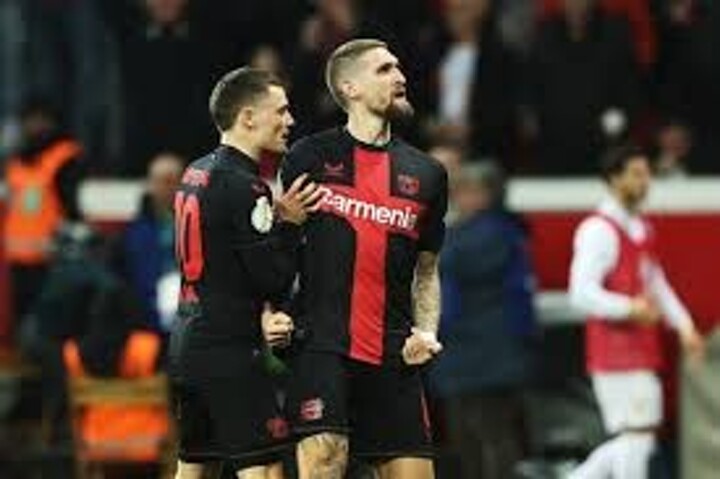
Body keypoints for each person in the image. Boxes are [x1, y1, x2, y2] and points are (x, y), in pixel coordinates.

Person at [281, 39, 448, 479]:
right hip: (322, 347)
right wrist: (268, 312)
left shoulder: (428, 174)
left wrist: (426, 330)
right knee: (325, 462)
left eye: (399, 67)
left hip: (394, 355)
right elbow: (280, 249)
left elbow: (427, 269)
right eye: (384, 69)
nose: (400, 77)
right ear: (349, 88)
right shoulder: (308, 157)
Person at [170, 67, 321, 479]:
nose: (290, 121)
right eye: (281, 111)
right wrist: (289, 226)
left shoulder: (194, 172)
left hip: (186, 343)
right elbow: (272, 279)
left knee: (195, 467)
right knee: (265, 467)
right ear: (249, 117)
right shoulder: (245, 185)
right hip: (229, 351)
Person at [568, 145, 704, 478]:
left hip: (641, 349)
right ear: (614, 178)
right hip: (615, 352)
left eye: (647, 174)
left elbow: (656, 282)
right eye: (636, 174)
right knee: (638, 437)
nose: (645, 182)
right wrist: (630, 308)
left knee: (636, 438)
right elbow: (580, 293)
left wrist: (684, 326)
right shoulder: (599, 230)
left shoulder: (640, 228)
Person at [430, 162, 537, 479]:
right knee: (465, 434)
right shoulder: (464, 231)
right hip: (464, 351)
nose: (460, 197)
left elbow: (447, 260)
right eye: (458, 190)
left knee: (491, 433)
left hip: (489, 351)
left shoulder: (495, 233)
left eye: (469, 190)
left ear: (489, 194)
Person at [3, 97, 84, 336]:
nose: (34, 125)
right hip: (18, 262)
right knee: (23, 328)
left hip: (53, 263)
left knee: (48, 330)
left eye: (40, 119)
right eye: (29, 119)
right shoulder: (16, 162)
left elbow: (74, 213)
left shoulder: (66, 158)